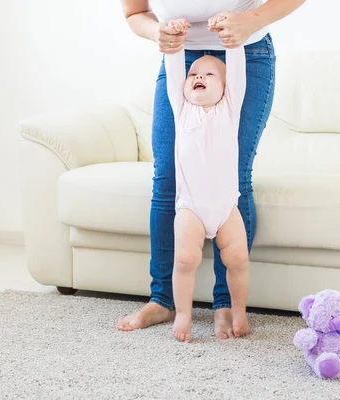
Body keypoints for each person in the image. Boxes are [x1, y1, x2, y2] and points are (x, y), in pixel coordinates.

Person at [117, 0, 306, 339]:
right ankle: (162, 300)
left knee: (236, 176)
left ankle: (226, 304)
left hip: (246, 50)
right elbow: (135, 13)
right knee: (166, 179)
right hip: (181, 55)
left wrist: (251, 21)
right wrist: (156, 33)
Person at [165, 16, 248, 342]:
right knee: (185, 259)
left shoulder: (230, 108)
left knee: (238, 259)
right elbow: (174, 71)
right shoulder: (181, 108)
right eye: (194, 74)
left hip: (227, 206)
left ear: (225, 87)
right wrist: (175, 39)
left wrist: (233, 40)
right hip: (191, 207)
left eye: (209, 74)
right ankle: (183, 313)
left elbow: (237, 71)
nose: (198, 76)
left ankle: (239, 311)